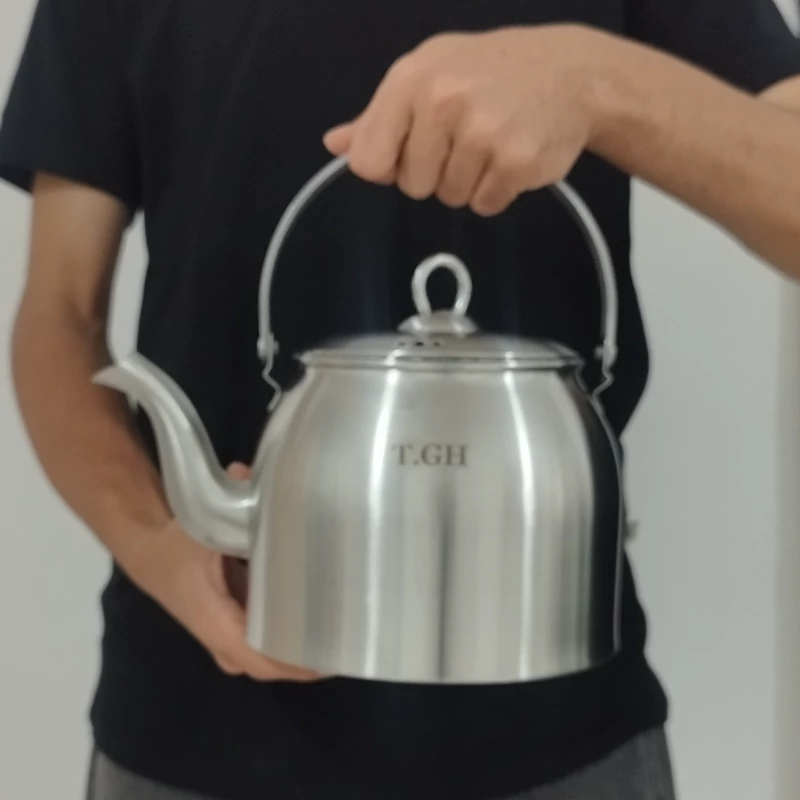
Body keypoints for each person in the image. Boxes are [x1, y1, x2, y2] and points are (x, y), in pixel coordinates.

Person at [1, 0, 799, 797]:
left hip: (563, 736)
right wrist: (157, 546)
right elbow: (60, 318)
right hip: (188, 732)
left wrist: (597, 81)